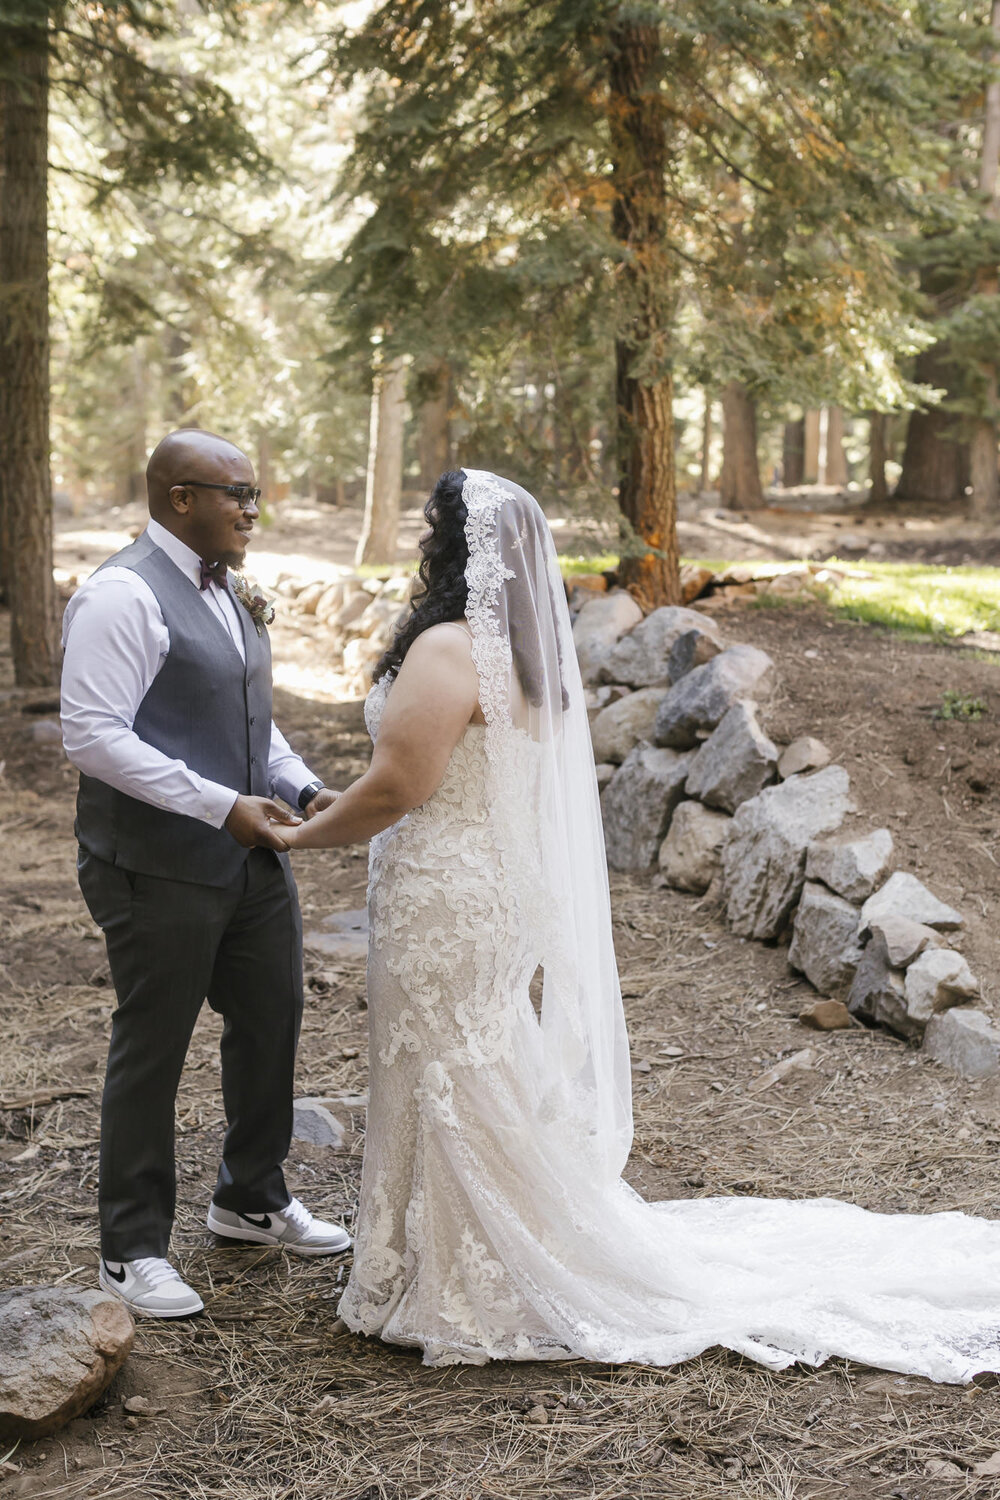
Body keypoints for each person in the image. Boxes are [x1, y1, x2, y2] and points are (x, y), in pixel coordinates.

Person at [278, 468, 1000, 1381]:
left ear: (451, 546)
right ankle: (437, 1257)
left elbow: (400, 786)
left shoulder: (450, 650)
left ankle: (464, 1276)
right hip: (479, 890)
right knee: (466, 1061)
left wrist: (305, 836)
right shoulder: (524, 659)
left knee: (445, 1066)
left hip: (445, 896)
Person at [61, 429, 351, 1320]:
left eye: (254, 493)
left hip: (251, 856)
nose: (253, 510)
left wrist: (297, 784)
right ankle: (132, 1247)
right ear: (180, 498)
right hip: (156, 865)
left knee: (272, 1019)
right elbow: (93, 734)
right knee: (153, 1047)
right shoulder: (120, 596)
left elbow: (246, 717)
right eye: (239, 493)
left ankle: (249, 1198)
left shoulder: (229, 592)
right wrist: (218, 804)